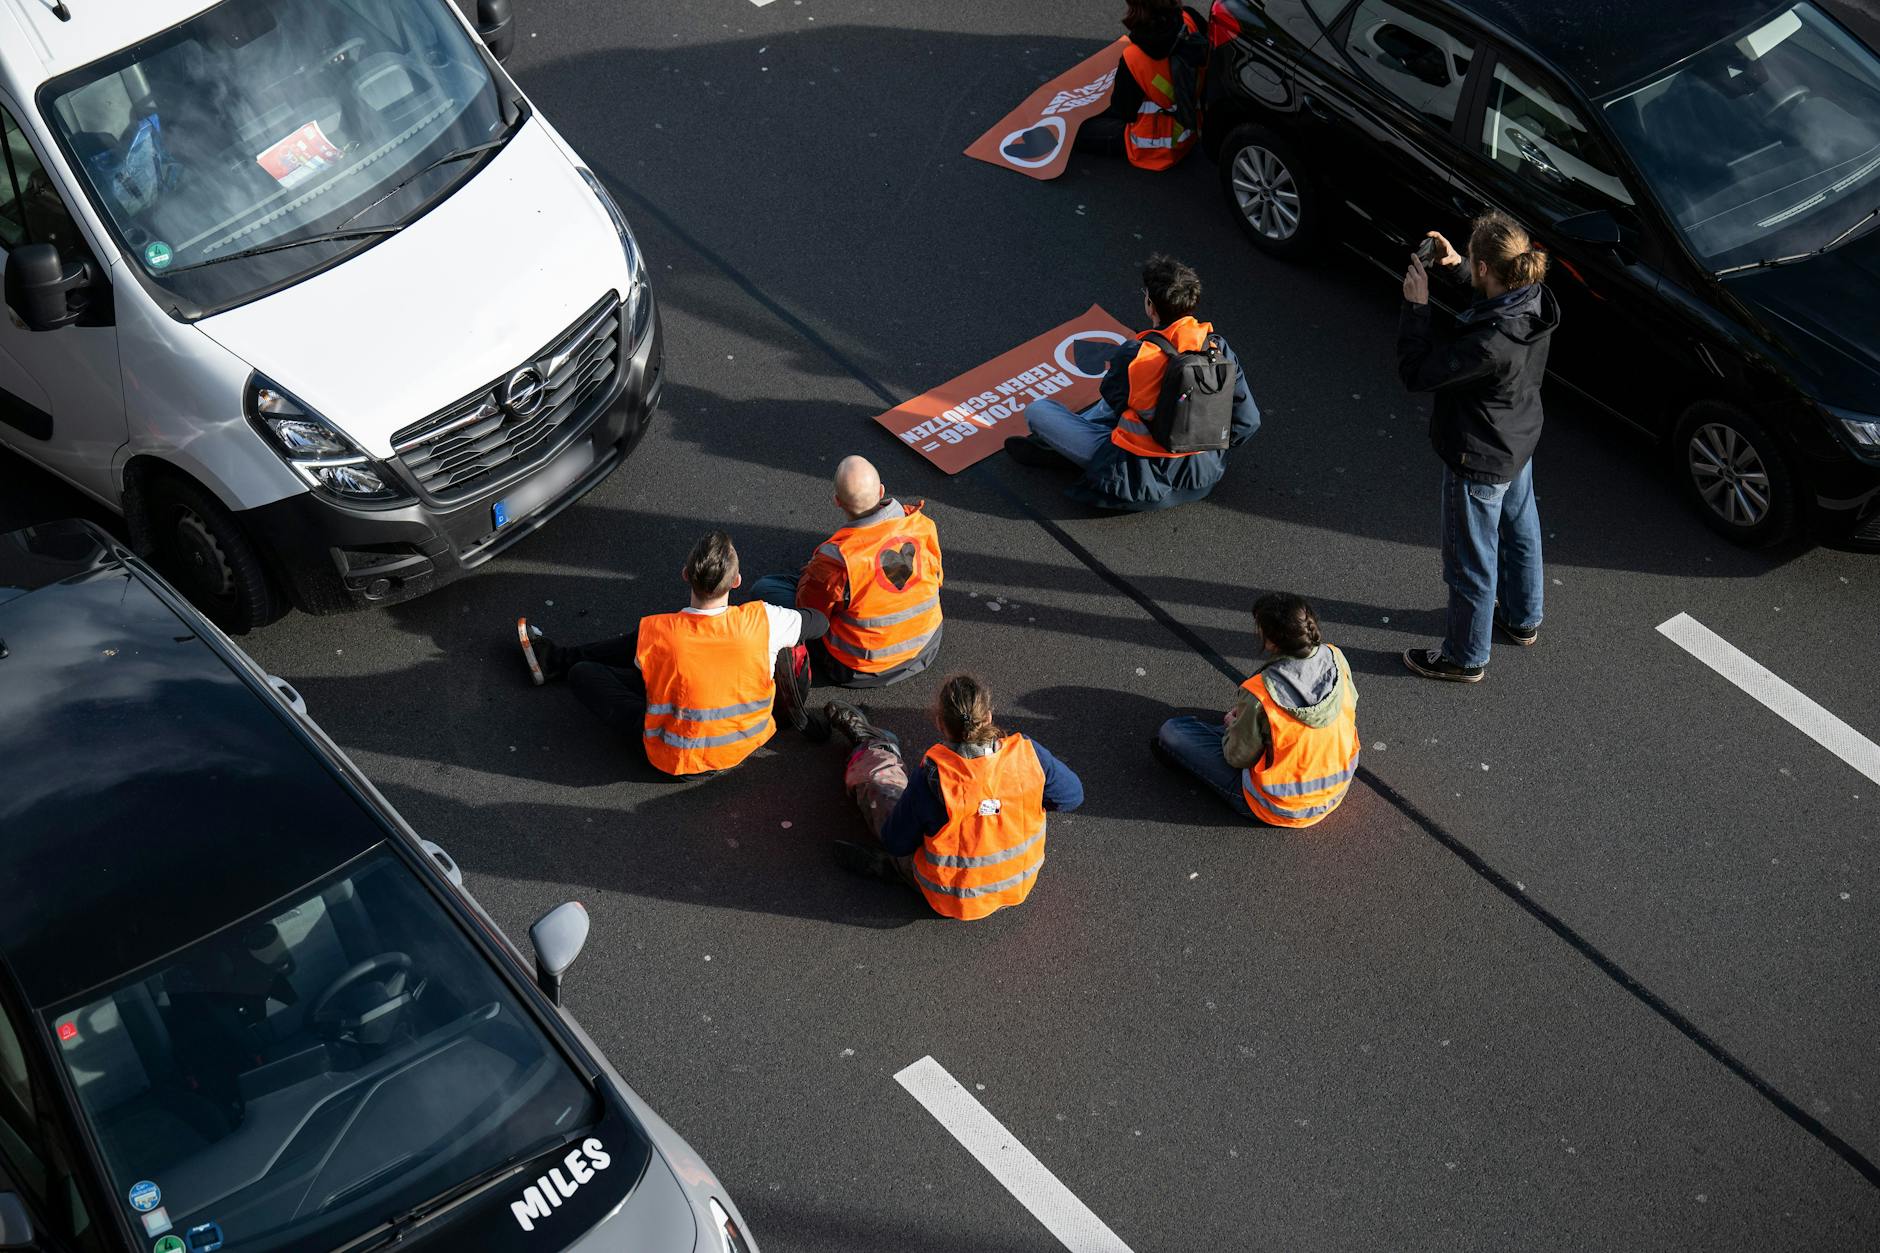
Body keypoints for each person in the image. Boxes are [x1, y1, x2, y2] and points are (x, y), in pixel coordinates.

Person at [516, 531, 827, 777]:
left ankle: (556, 661)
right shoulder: (764, 620)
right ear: (736, 581)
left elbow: (640, 666)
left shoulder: (660, 633)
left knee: (584, 673)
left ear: (685, 574)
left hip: (677, 759)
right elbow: (819, 623)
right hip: (744, 744)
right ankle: (555, 661)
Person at [1397, 212, 1558, 683]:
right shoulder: (1536, 297)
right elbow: (1499, 298)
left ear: (1488, 268)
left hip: (1479, 455)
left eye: (1472, 260)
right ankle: (1522, 619)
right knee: (1521, 534)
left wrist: (1417, 308)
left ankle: (1465, 656)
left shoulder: (1489, 343)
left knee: (1470, 561)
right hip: (1517, 438)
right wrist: (1458, 269)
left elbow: (1418, 373)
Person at [1005, 254, 1261, 511]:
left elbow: (1114, 403)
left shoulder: (1136, 355)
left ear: (1151, 304)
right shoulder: (1219, 348)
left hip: (1138, 480)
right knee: (1121, 403)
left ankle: (1063, 450)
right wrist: (1203, 443)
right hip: (1203, 477)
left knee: (1038, 411)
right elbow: (1248, 421)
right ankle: (1066, 447)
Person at [822, 676, 1084, 920]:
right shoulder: (1027, 755)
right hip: (1017, 884)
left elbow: (896, 840)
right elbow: (1072, 797)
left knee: (883, 788)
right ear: (989, 716)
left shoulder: (937, 778)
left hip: (950, 897)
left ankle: (875, 747)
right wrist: (1012, 802)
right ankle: (894, 870)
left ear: (940, 723)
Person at [1153, 593, 1359, 826]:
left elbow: (1237, 757)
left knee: (1173, 732)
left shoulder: (1260, 693)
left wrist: (1234, 726)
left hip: (1277, 805)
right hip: (1335, 789)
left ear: (1271, 641)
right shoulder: (1336, 657)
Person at [748, 455, 945, 687]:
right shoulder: (922, 525)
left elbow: (811, 613)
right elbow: (936, 578)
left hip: (859, 667)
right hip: (927, 646)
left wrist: (812, 575)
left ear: (837, 501)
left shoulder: (837, 559)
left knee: (765, 588)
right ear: (881, 491)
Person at [1074, 1, 1206, 170]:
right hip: (1191, 129)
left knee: (1080, 131)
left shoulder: (1134, 57)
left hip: (1155, 147)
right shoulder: (1190, 18)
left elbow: (1124, 112)